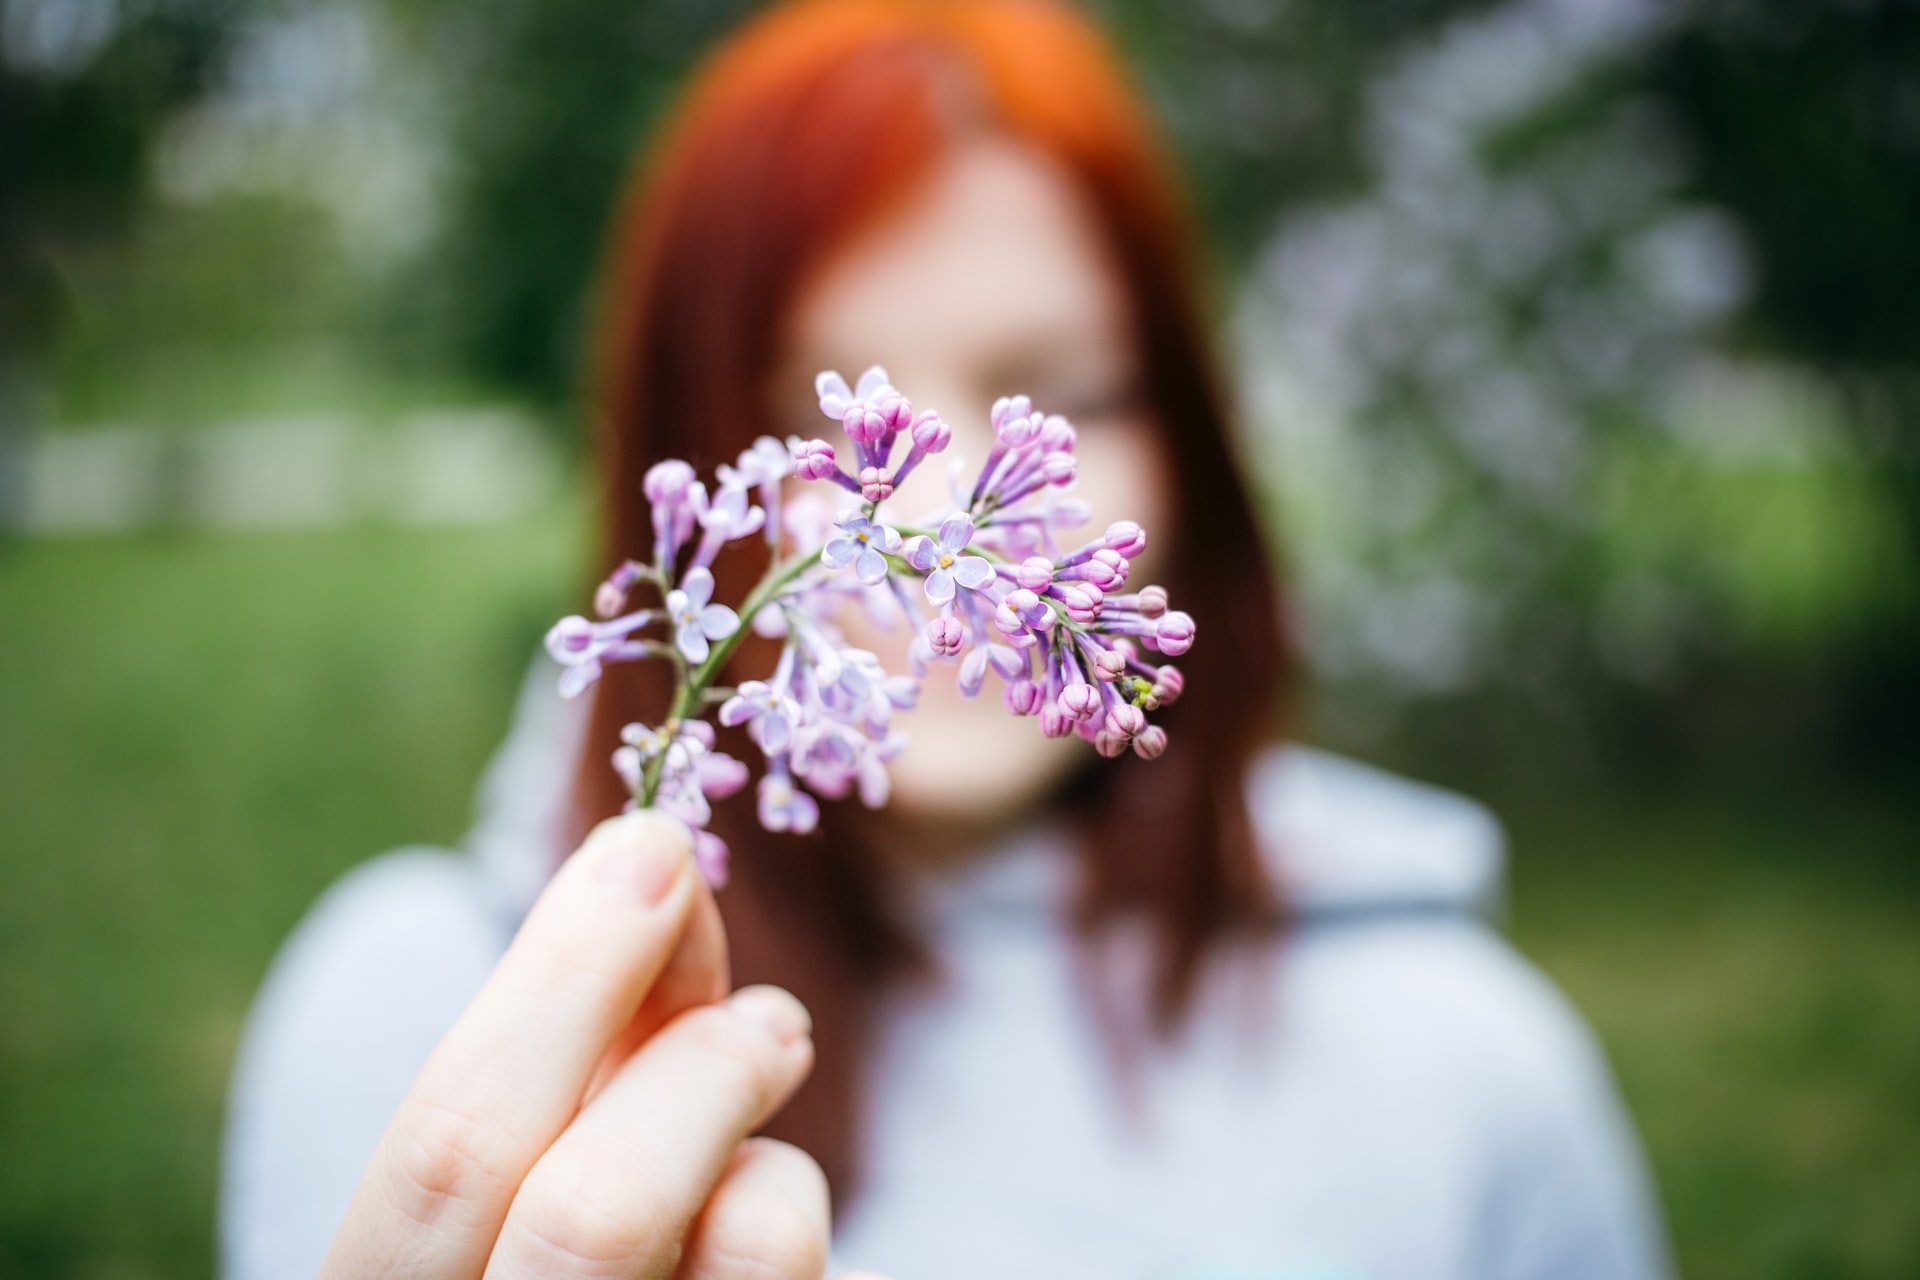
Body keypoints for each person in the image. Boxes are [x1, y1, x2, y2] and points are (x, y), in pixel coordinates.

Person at [220, 2, 1672, 1277]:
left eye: (1075, 392)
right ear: (672, 459)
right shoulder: (423, 1032)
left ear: (1202, 449)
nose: (926, 511)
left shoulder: (1467, 1068)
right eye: (817, 413)